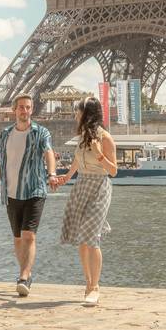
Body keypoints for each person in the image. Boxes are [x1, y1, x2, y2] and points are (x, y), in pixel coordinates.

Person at [0, 94, 58, 297]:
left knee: (29, 235)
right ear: (14, 111)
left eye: (28, 107)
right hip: (11, 193)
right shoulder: (5, 135)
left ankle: (24, 276)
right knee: (17, 238)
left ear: (32, 110)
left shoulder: (41, 132)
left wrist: (52, 174)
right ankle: (26, 272)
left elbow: (49, 152)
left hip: (35, 189)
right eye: (21, 108)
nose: (24, 111)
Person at [58, 96, 117, 306]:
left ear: (87, 114)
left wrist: (100, 154)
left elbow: (113, 171)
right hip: (81, 185)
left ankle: (95, 287)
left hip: (99, 187)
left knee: (92, 237)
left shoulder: (106, 138)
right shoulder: (82, 137)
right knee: (82, 239)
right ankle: (88, 282)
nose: (76, 114)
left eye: (78, 110)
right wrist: (65, 177)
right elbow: (76, 160)